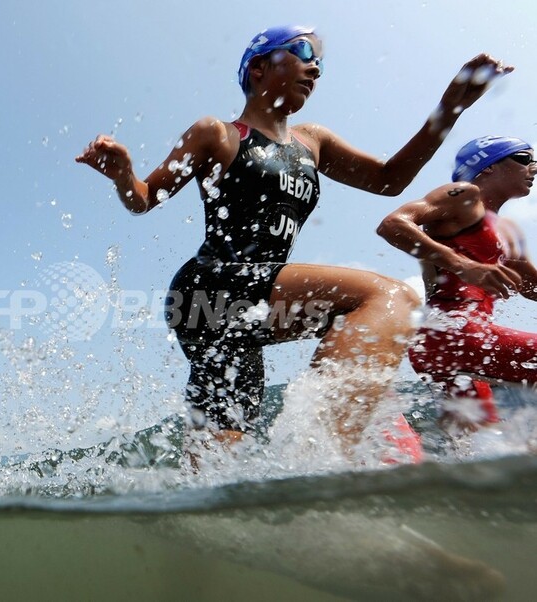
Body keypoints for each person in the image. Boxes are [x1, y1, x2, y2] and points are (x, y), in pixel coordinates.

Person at [76, 25, 511, 456]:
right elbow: (144, 199)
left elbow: (389, 180)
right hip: (211, 285)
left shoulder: (312, 141)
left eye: (319, 62)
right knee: (390, 296)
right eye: (303, 52)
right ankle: (328, 450)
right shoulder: (216, 133)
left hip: (245, 314)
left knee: (218, 455)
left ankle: (214, 495)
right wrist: (123, 175)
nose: (315, 68)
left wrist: (450, 108)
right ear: (259, 67)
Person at [378, 136, 537, 433]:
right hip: (455, 332)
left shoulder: (503, 233)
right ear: (487, 166)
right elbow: (393, 224)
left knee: (479, 445)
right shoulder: (465, 195)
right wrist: (462, 265)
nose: (534, 167)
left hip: (447, 343)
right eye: (524, 159)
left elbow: (531, 286)